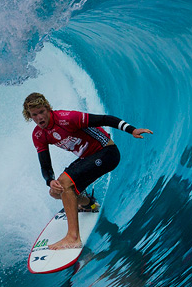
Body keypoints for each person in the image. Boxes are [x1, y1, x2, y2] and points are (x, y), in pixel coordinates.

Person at [23, 92, 153, 250]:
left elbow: (105, 119)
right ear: (29, 116)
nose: (39, 117)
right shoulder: (38, 135)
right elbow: (45, 164)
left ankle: (73, 238)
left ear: (48, 108)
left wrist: (131, 130)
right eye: (34, 115)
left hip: (107, 152)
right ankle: (89, 204)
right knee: (56, 191)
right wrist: (50, 180)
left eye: (42, 112)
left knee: (65, 182)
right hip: (88, 158)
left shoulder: (67, 118)